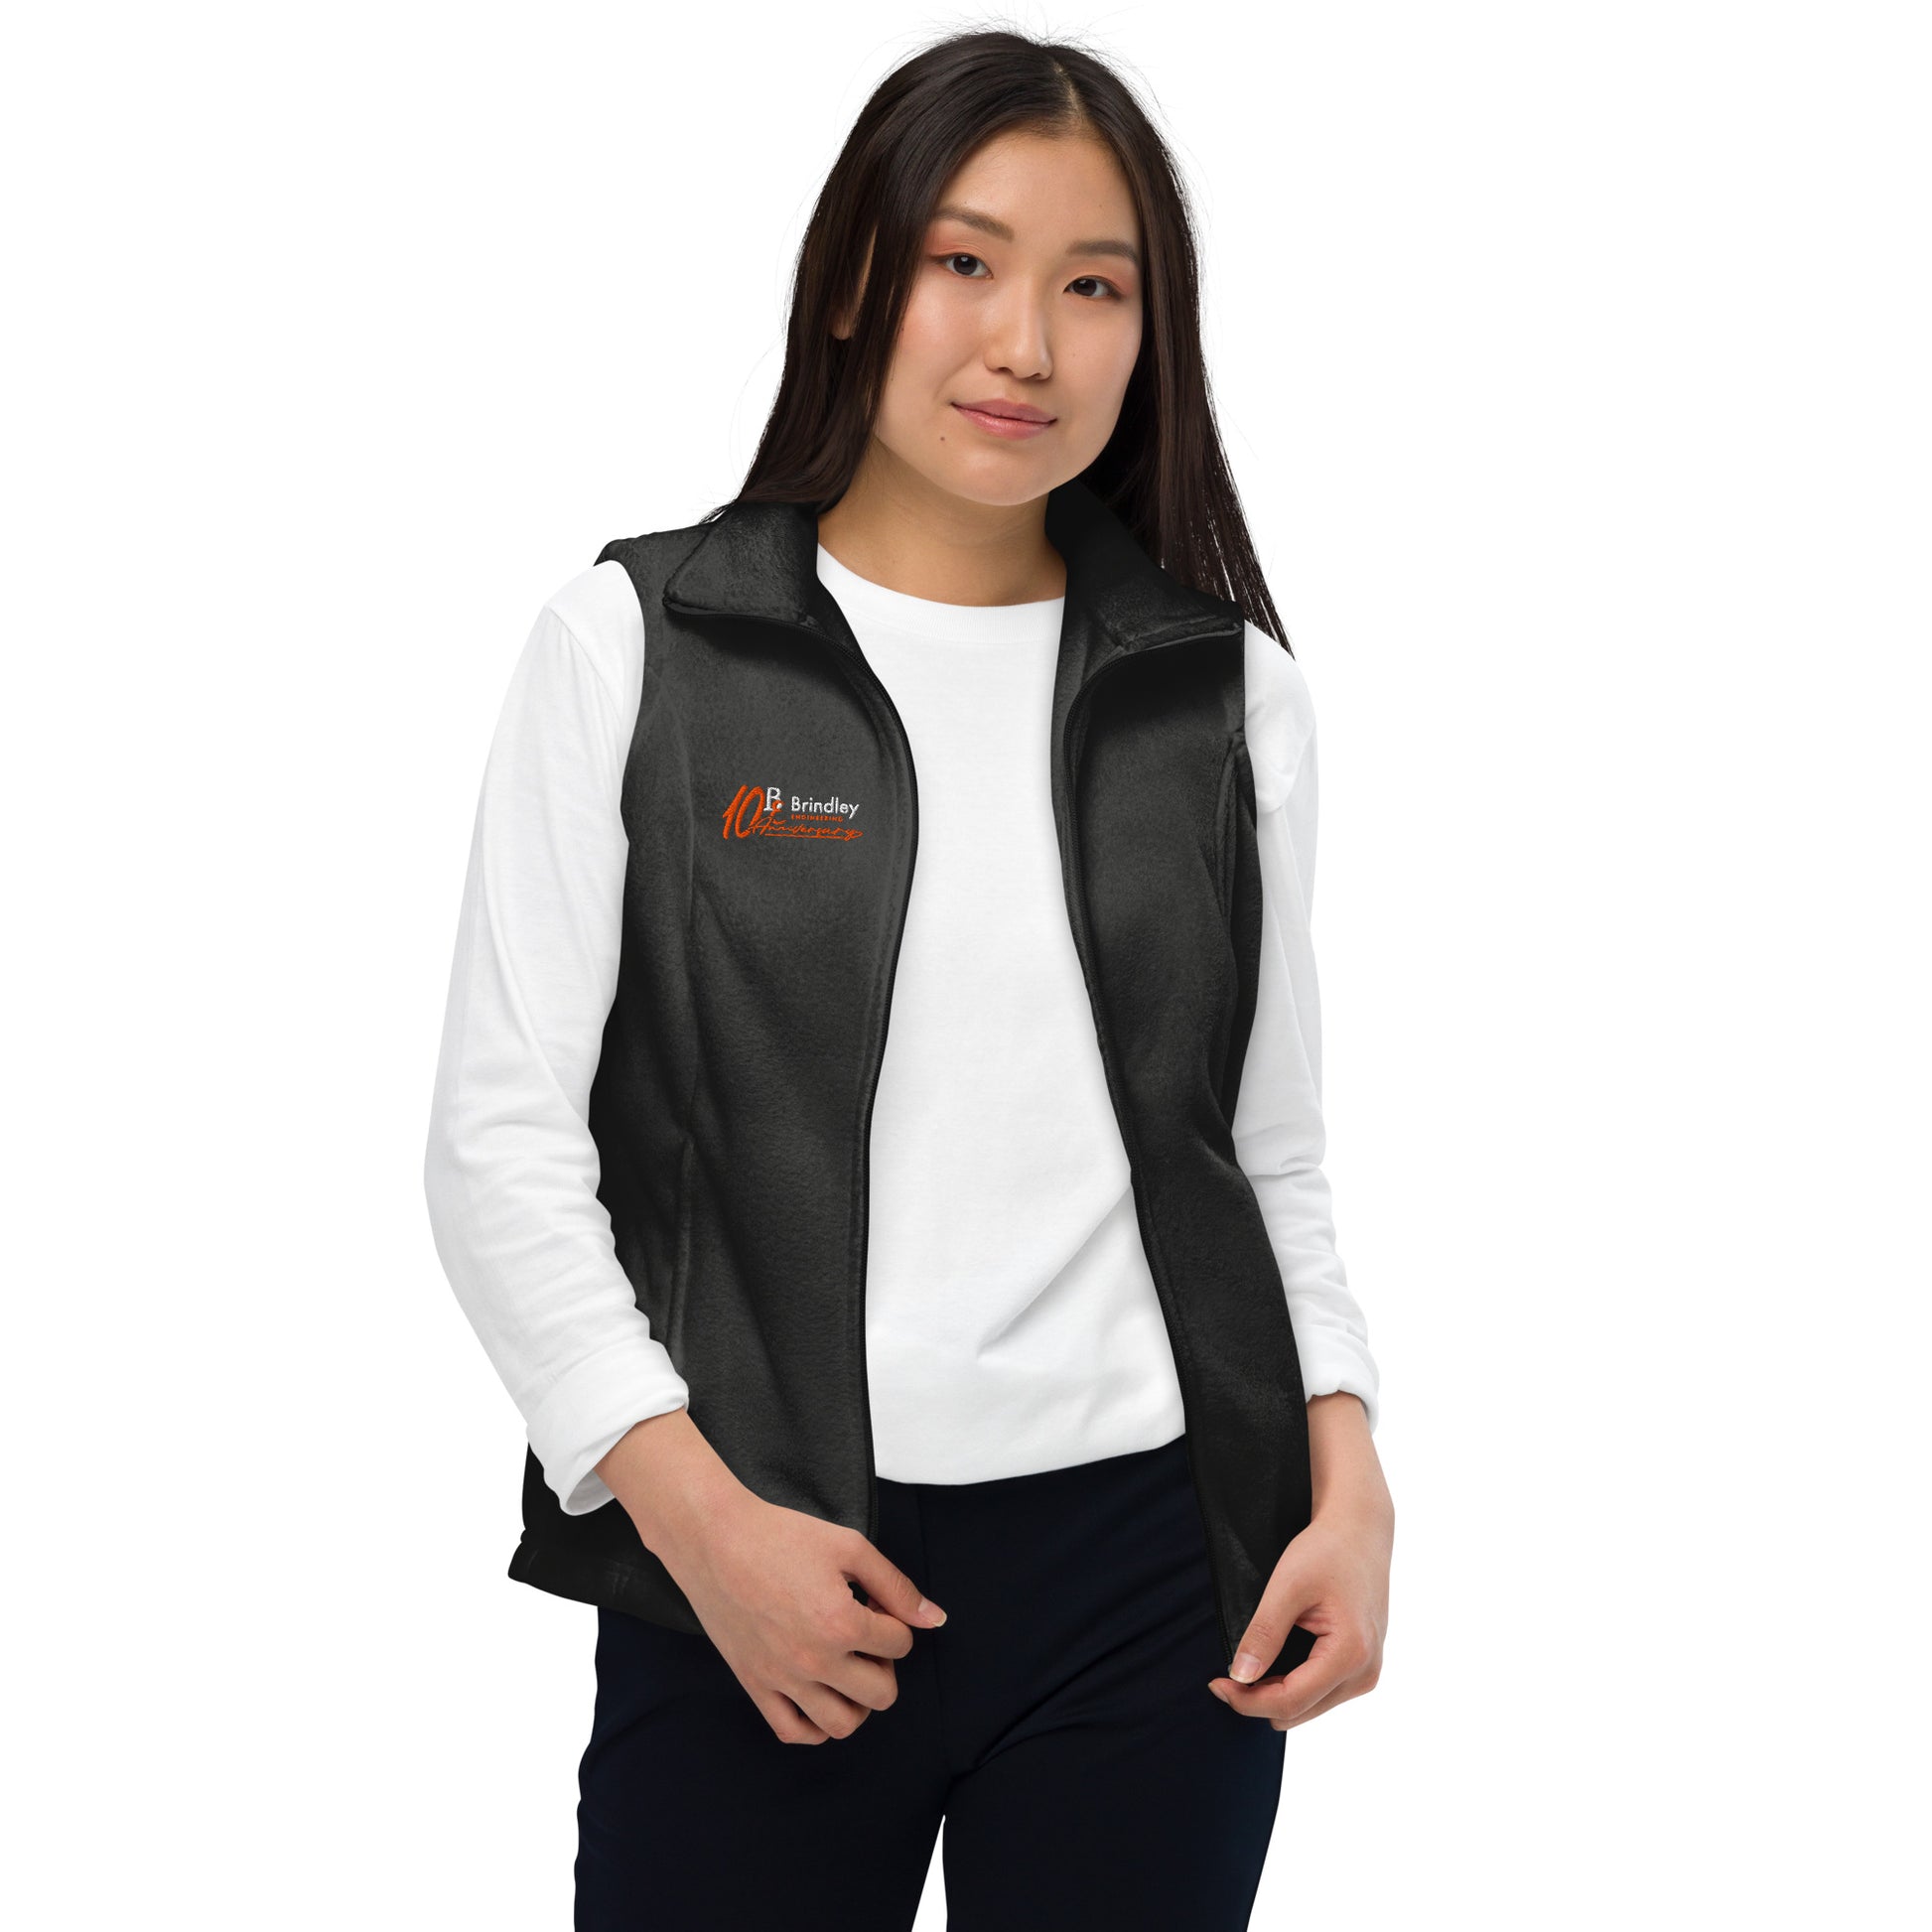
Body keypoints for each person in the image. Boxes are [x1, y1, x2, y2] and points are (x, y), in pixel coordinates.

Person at [423, 26, 1393, 1931]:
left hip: (1156, 1579)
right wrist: (699, 1524)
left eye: (1093, 286)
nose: (1025, 342)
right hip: (760, 1550)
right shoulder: (640, 644)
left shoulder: (1226, 698)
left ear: (1150, 335)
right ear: (856, 278)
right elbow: (499, 1147)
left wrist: (1346, 1475)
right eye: (965, 261)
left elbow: (1262, 1154)